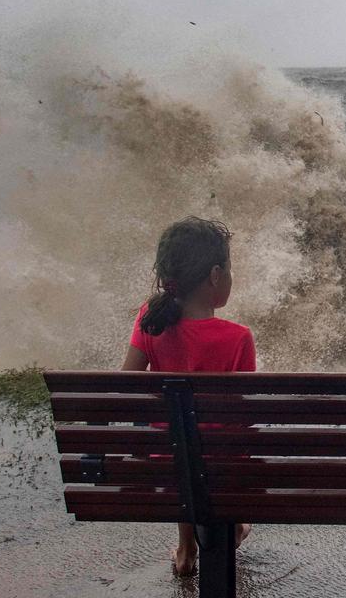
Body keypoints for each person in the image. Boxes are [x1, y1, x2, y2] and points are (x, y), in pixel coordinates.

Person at [120, 216, 257, 578]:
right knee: (218, 446)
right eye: (229, 270)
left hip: (166, 460)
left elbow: (125, 386)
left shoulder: (150, 319)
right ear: (215, 275)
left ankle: (186, 548)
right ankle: (234, 525)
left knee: (181, 444)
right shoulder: (237, 337)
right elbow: (242, 420)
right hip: (220, 465)